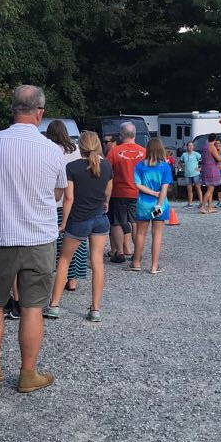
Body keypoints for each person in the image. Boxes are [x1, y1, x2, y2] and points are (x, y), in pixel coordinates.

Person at [0, 85, 67, 393]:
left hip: (1, 234)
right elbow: (58, 191)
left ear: (12, 109)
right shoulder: (53, 150)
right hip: (39, 237)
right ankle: (28, 373)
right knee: (32, 306)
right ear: (40, 113)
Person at [44, 131, 113, 322]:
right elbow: (108, 192)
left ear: (80, 146)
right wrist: (104, 202)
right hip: (100, 218)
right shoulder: (106, 166)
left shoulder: (72, 167)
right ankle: (95, 309)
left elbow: (69, 197)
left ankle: (54, 305)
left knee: (64, 261)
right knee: (97, 262)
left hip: (79, 219)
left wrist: (64, 222)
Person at [44, 119, 88, 293]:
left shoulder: (49, 150)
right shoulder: (76, 150)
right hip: (75, 200)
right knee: (76, 241)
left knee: (58, 241)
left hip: (55, 201)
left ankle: (58, 275)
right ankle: (73, 279)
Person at [129, 137, 172, 274]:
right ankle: (154, 266)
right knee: (157, 234)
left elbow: (137, 184)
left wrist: (152, 193)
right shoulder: (165, 167)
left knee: (141, 233)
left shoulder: (140, 166)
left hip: (143, 204)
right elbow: (165, 188)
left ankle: (136, 262)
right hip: (159, 205)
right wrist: (159, 202)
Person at [107, 122, 145, 263]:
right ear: (135, 134)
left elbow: (106, 171)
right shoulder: (143, 152)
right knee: (135, 223)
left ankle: (120, 252)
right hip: (138, 192)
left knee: (117, 222)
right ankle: (137, 253)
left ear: (121, 134)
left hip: (119, 192)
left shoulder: (114, 151)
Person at [200, 132, 221, 214]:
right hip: (211, 169)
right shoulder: (212, 147)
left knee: (209, 188)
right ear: (215, 139)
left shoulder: (204, 147)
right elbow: (218, 158)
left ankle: (210, 207)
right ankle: (203, 206)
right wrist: (219, 152)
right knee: (211, 189)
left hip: (205, 168)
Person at [180, 141, 203, 208]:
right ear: (186, 147)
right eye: (189, 145)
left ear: (193, 147)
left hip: (195, 174)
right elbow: (180, 162)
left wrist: (200, 168)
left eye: (191, 145)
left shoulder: (196, 154)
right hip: (187, 174)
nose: (190, 147)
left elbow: (203, 160)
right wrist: (181, 167)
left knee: (198, 188)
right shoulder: (184, 154)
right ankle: (190, 203)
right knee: (189, 189)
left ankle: (201, 202)